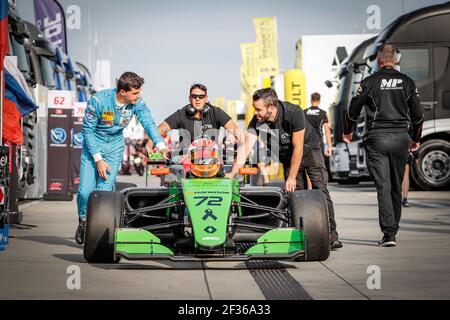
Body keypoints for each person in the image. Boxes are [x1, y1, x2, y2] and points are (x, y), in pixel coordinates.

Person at [227, 88, 343, 249]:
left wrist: (291, 177)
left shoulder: (293, 112)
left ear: (271, 108)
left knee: (320, 189)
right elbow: (246, 147)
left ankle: (331, 235)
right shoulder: (257, 121)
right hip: (287, 156)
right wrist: (232, 173)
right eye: (255, 109)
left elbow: (298, 148)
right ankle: (303, 235)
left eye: (259, 109)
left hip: (309, 150)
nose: (256, 113)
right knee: (296, 195)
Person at [343, 44, 424, 247]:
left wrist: (347, 130)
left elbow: (352, 109)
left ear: (379, 59)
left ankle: (388, 234)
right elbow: (418, 116)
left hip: (377, 138)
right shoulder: (407, 82)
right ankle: (393, 231)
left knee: (383, 186)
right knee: (396, 186)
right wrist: (416, 138)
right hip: (400, 138)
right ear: (395, 59)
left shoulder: (369, 81)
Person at [75, 72, 168, 244]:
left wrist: (161, 145)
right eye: (135, 93)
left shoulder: (137, 103)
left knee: (104, 190)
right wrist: (98, 159)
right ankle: (83, 221)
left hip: (114, 148)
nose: (138, 96)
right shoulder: (98, 101)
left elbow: (148, 122)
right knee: (84, 192)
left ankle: (97, 232)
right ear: (122, 91)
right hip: (93, 147)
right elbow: (87, 131)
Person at [157, 83, 244, 153]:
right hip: (187, 162)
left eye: (201, 96)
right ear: (189, 98)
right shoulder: (181, 114)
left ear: (206, 98)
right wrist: (153, 148)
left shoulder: (216, 112)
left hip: (213, 160)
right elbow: (158, 131)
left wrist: (247, 147)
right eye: (194, 96)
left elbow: (236, 131)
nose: (197, 99)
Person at [305, 92, 333, 157]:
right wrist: (329, 147)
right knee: (319, 164)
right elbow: (327, 131)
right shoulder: (323, 113)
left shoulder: (304, 112)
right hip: (318, 143)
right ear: (319, 101)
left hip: (306, 143)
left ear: (311, 100)